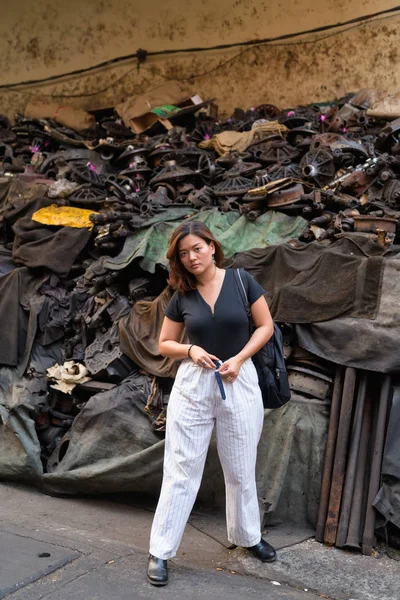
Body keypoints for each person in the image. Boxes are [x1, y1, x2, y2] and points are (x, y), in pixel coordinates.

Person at [147, 220, 275, 586]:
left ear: (212, 246)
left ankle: (248, 537)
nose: (190, 258)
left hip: (239, 378)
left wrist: (240, 358)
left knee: (240, 465)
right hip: (195, 383)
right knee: (181, 468)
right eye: (183, 253)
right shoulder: (181, 295)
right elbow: (165, 343)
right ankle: (160, 550)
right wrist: (191, 349)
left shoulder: (241, 281)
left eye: (196, 249)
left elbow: (265, 326)